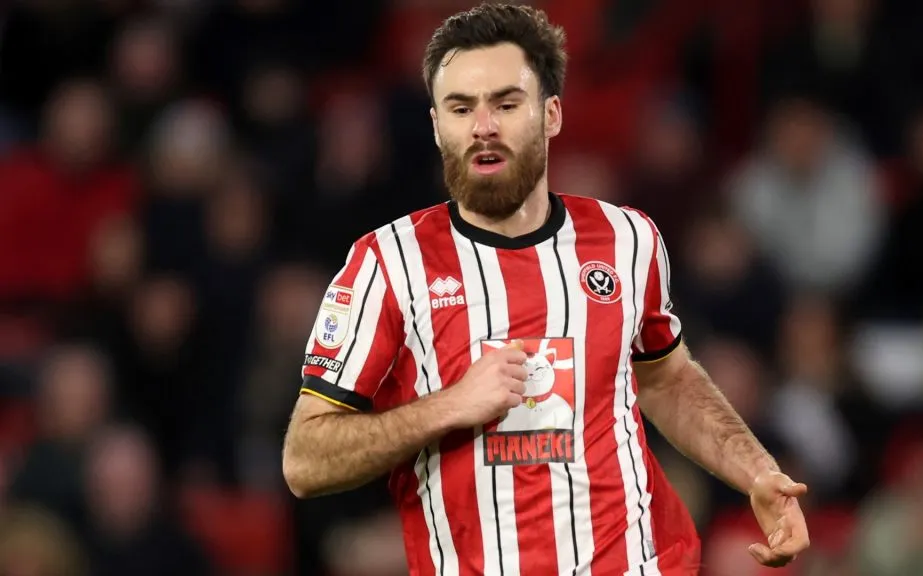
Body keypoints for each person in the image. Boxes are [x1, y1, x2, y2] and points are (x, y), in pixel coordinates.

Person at [282, 4, 810, 574]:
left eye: (506, 104)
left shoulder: (626, 239)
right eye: (461, 108)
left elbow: (664, 375)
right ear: (437, 125)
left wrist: (758, 472)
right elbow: (305, 461)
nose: (483, 126)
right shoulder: (386, 263)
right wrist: (447, 406)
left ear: (551, 114)